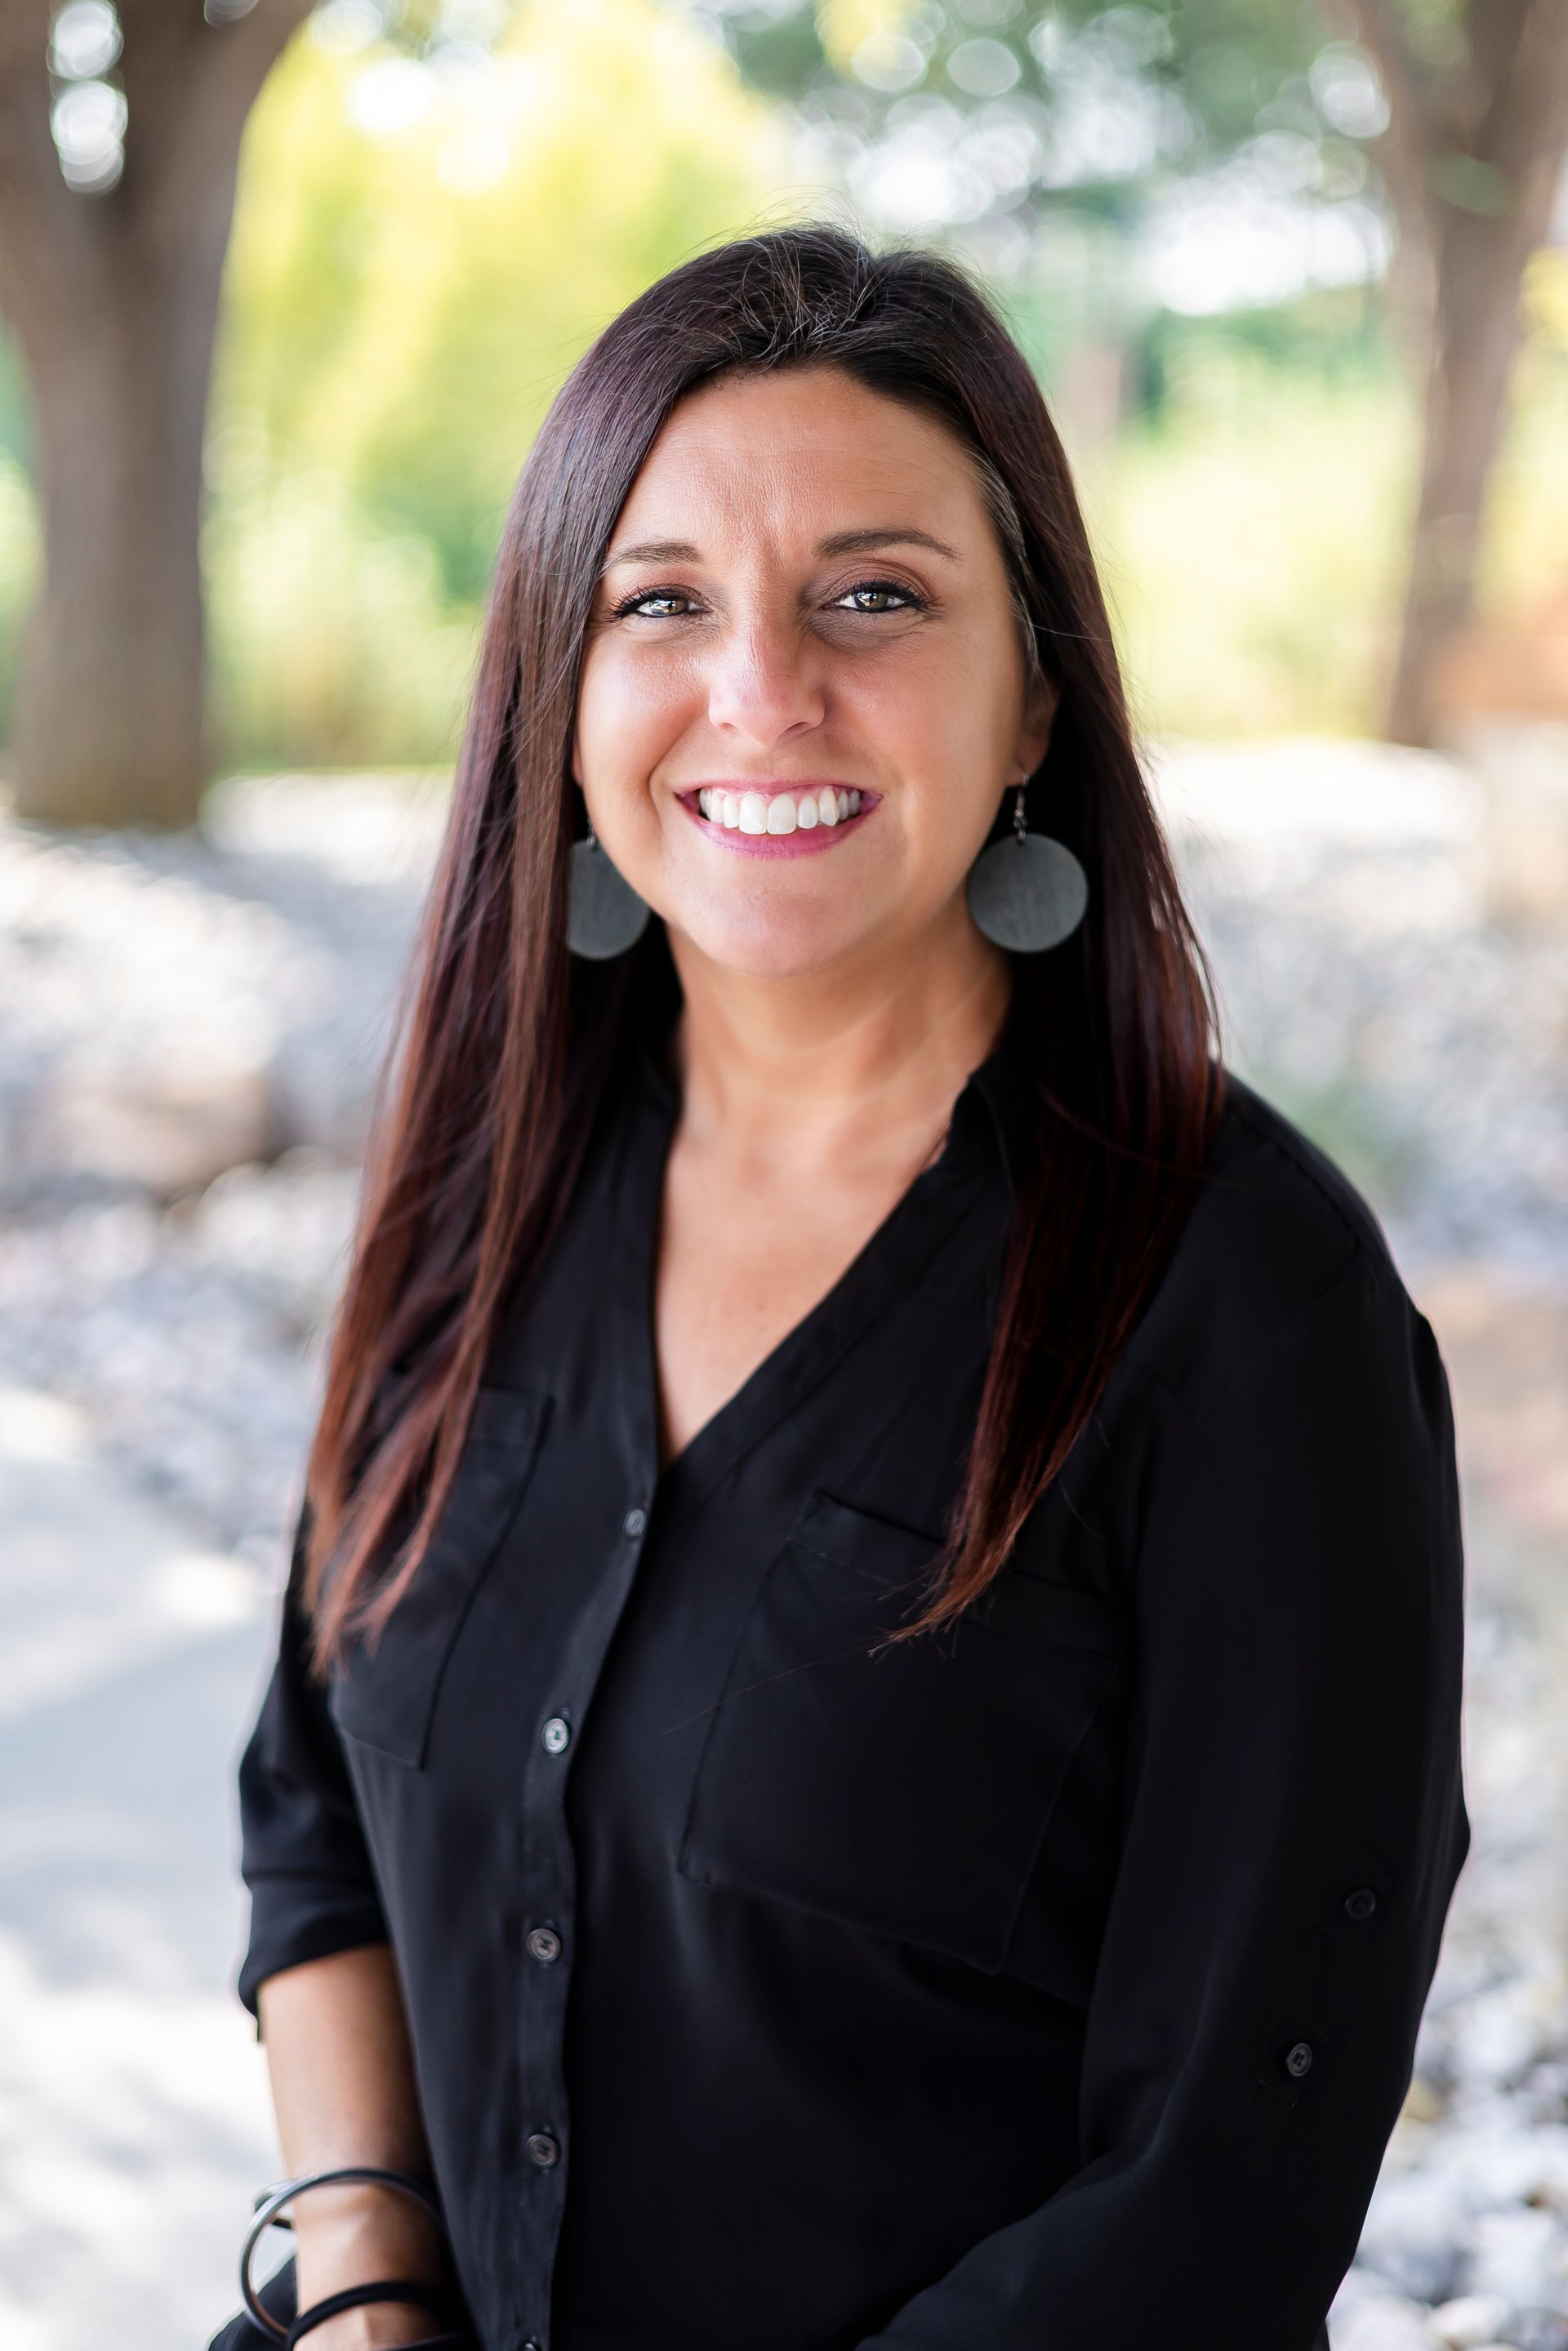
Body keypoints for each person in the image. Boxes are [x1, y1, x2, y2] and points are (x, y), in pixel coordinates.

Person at [234, 226, 1468, 2351]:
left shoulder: (1254, 1316)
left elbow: (1219, 2187)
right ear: (563, 686)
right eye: (661, 604)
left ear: (1038, 694)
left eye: (874, 596)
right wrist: (366, 2298)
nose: (761, 691)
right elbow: (313, 1807)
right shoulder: (487, 1176)